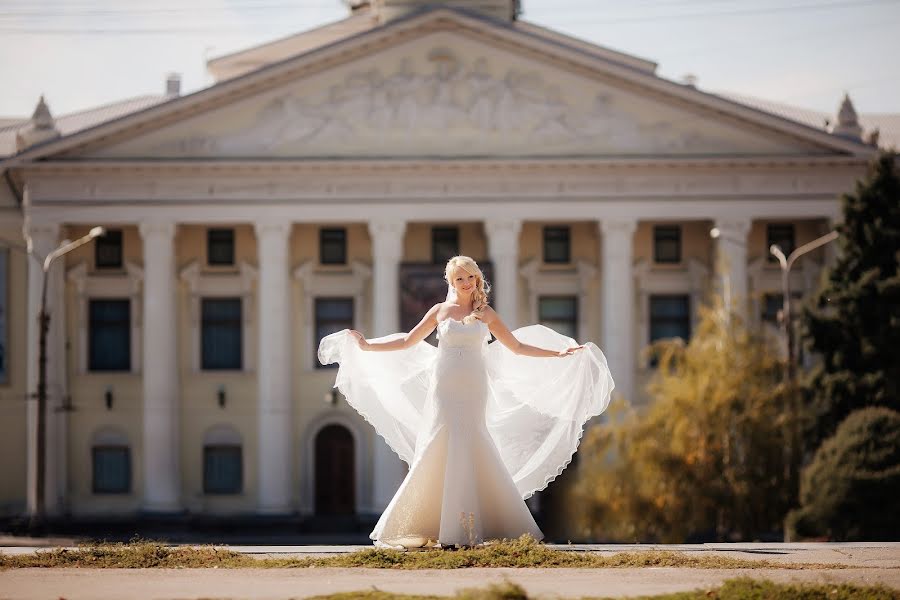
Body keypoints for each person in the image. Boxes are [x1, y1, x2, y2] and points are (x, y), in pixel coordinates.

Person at [317, 255, 614, 549]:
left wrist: (557, 354)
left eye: (470, 276)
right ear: (450, 282)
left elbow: (517, 346)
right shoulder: (440, 311)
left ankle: (488, 525)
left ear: (476, 279)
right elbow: (408, 341)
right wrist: (368, 346)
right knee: (440, 441)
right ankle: (426, 524)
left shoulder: (485, 313)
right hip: (445, 386)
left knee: (473, 439)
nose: (466, 282)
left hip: (474, 386)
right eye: (459, 278)